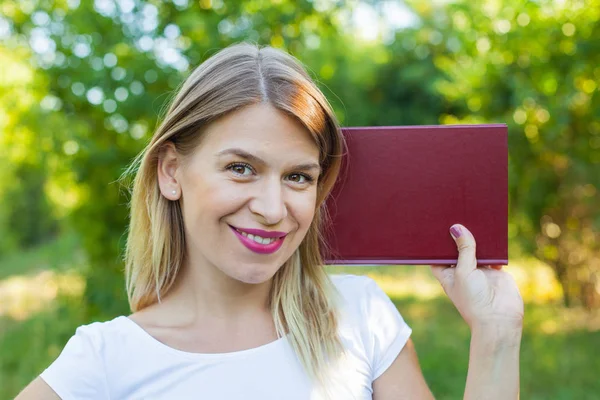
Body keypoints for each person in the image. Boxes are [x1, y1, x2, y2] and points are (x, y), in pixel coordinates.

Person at [16, 42, 524, 400]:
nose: (274, 208)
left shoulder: (361, 315)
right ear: (172, 172)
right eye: (241, 168)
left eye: (299, 177)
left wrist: (496, 333)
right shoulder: (104, 358)